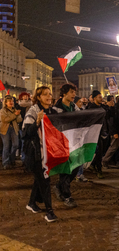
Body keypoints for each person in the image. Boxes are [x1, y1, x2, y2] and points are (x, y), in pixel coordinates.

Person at [23, 86, 58, 222]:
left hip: (48, 151)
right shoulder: (33, 111)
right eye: (45, 95)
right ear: (38, 97)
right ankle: (50, 211)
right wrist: (37, 121)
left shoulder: (53, 111)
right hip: (36, 153)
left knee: (40, 179)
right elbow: (26, 133)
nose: (49, 96)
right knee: (44, 180)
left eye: (50, 93)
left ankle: (32, 203)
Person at [52, 84, 80, 208]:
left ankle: (59, 186)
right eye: (71, 92)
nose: (74, 94)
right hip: (62, 143)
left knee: (75, 166)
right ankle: (66, 196)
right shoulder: (56, 109)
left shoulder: (74, 107)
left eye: (74, 92)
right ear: (64, 94)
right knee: (65, 169)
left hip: (73, 141)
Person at [88, 90, 108, 179]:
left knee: (100, 151)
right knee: (98, 152)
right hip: (93, 132)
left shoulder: (102, 107)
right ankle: (99, 169)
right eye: (99, 97)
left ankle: (93, 165)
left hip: (101, 132)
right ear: (94, 98)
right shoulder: (91, 108)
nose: (101, 99)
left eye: (101, 97)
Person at [0, 95, 22, 169]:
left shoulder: (15, 110)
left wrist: (18, 115)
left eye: (12, 101)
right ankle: (5, 162)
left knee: (16, 144)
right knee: (6, 145)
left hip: (14, 129)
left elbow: (19, 120)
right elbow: (5, 119)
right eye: (9, 101)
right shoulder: (2, 111)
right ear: (5, 103)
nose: (11, 102)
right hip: (5, 129)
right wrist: (14, 115)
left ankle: (12, 160)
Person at [74, 96, 88, 182]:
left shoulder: (82, 112)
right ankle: (77, 174)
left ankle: (80, 173)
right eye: (79, 102)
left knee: (81, 156)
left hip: (81, 136)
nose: (81, 103)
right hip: (75, 137)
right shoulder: (73, 112)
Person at [17, 92, 32, 169]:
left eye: (27, 96)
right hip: (22, 125)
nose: (26, 97)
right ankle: (23, 159)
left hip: (30, 125)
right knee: (23, 142)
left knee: (29, 143)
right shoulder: (19, 105)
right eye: (24, 96)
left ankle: (28, 160)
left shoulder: (31, 105)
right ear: (21, 97)